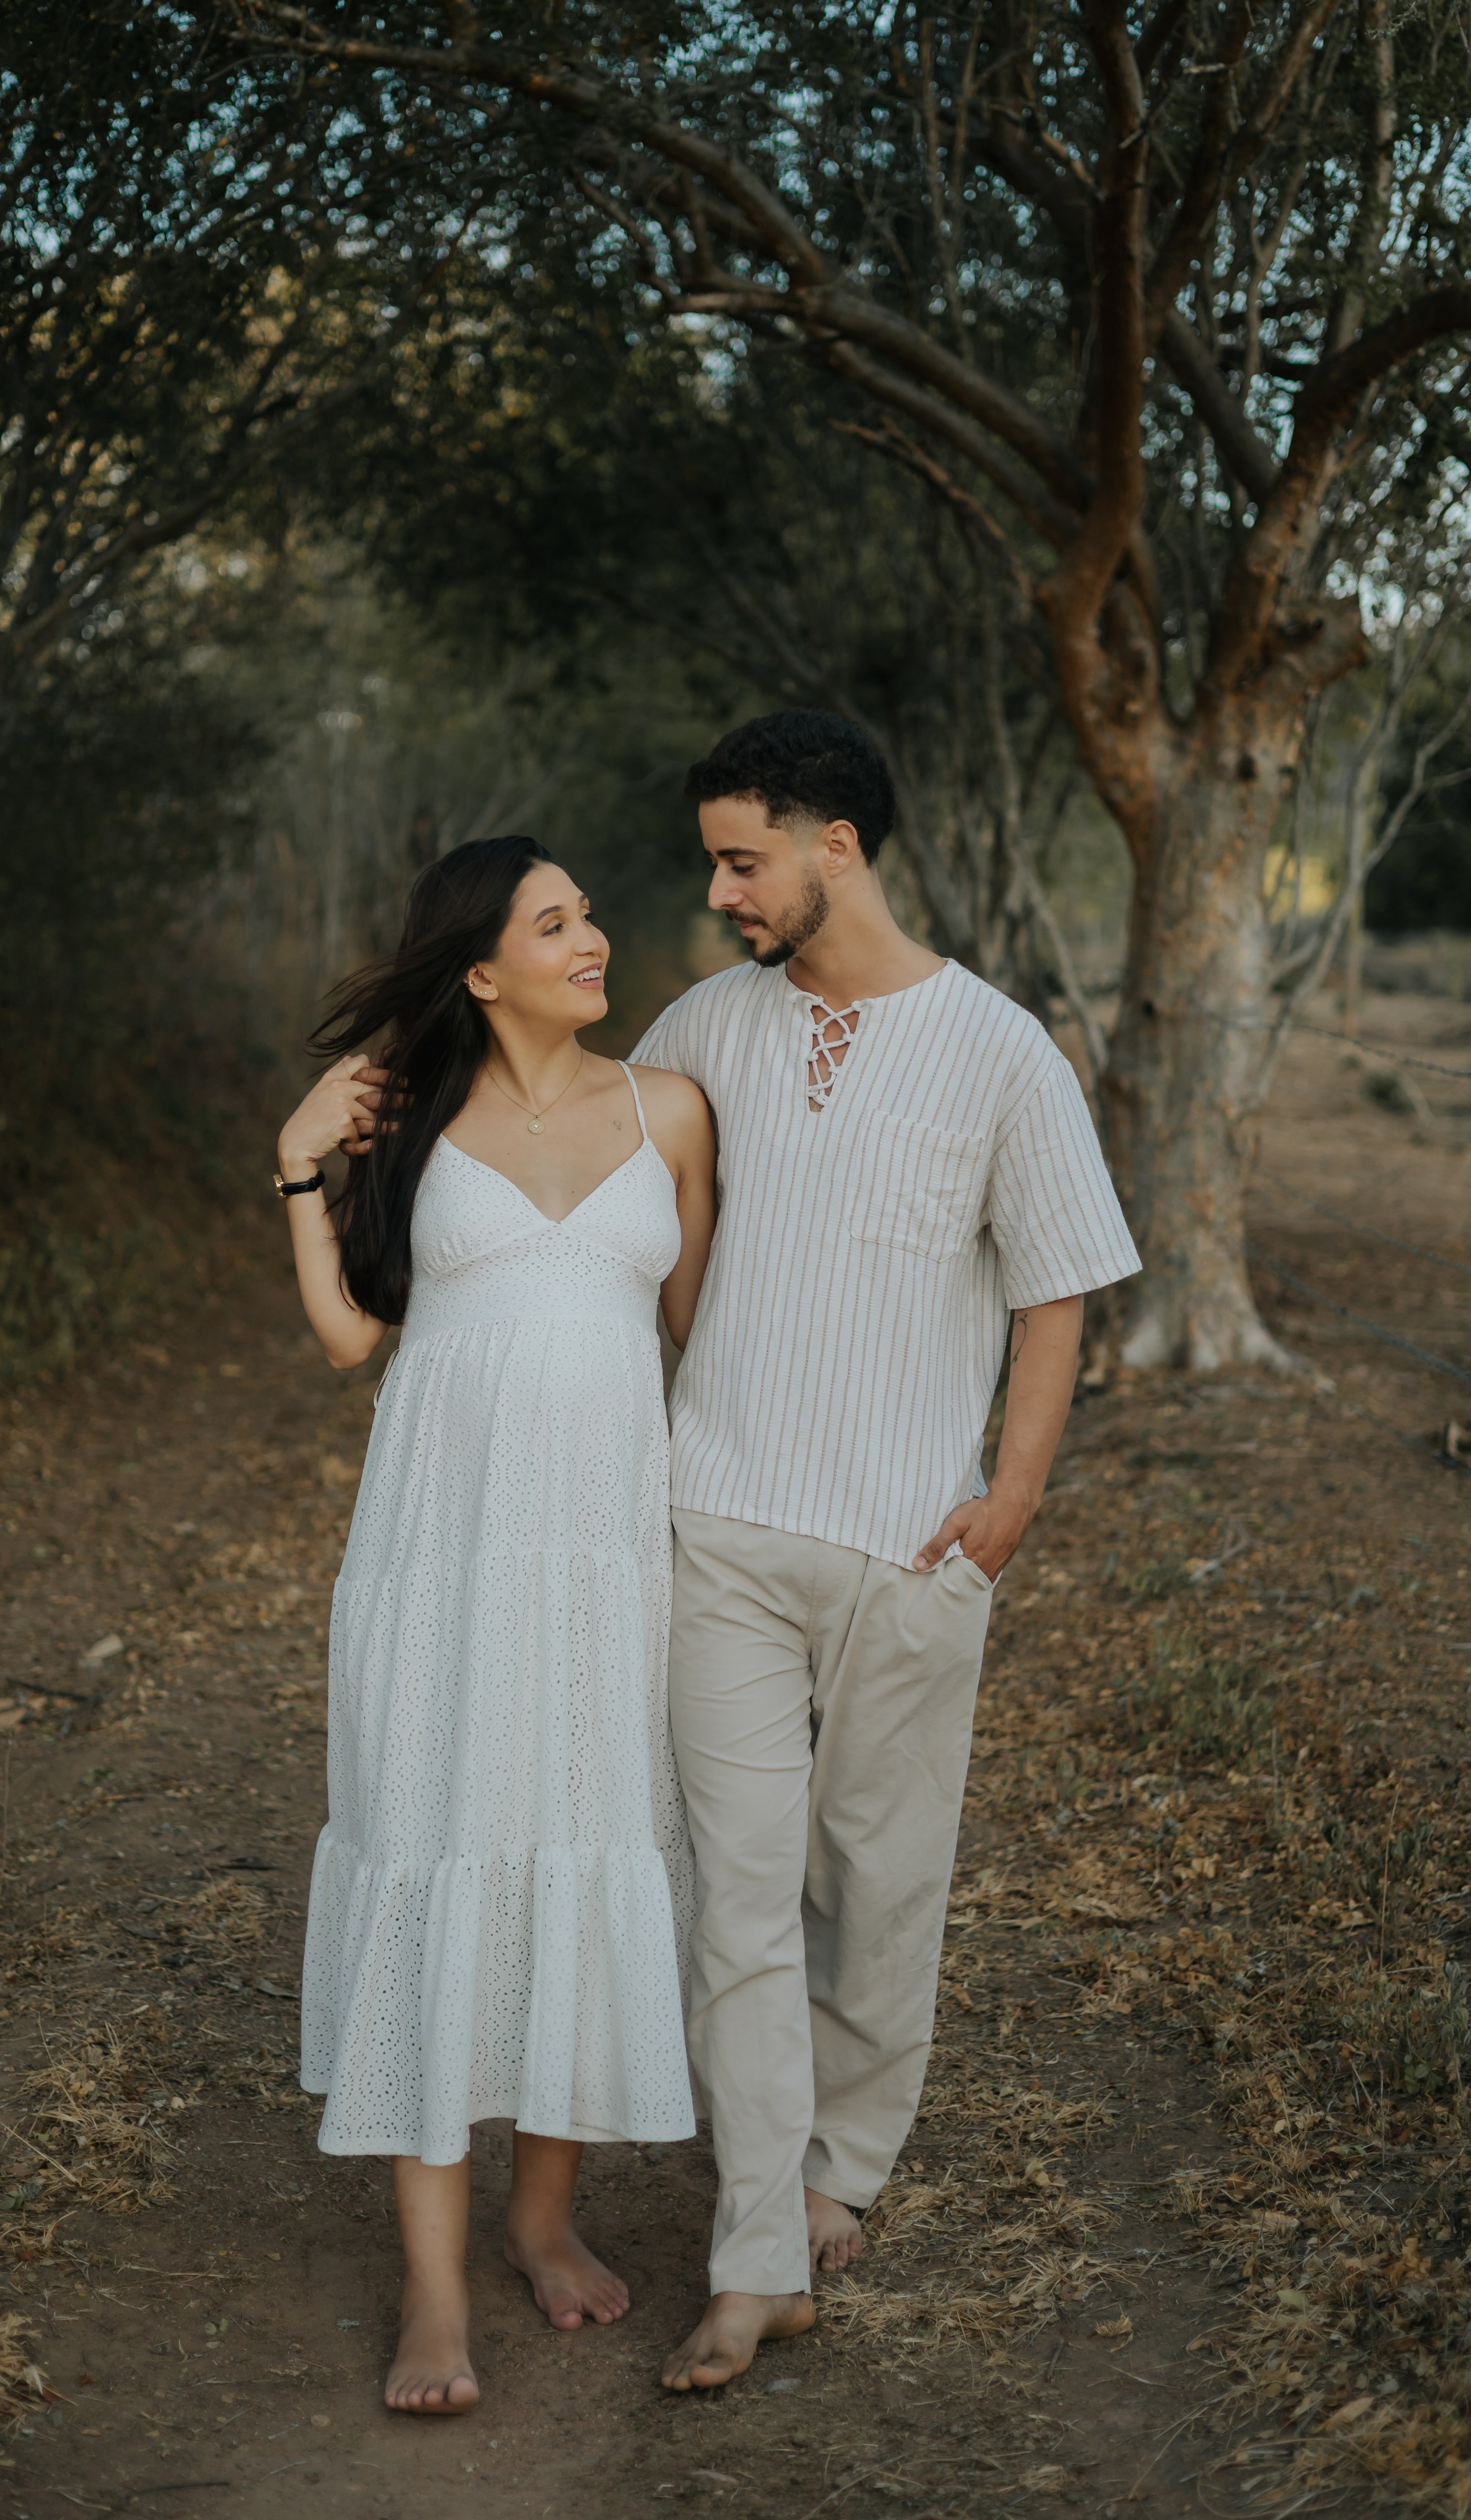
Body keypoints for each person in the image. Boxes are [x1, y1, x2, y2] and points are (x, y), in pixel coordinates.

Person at [629, 710, 1140, 2392]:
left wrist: (1006, 1504)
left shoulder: (1000, 1051)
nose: (718, 892)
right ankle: (757, 2247)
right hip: (718, 1517)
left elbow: (1056, 1289)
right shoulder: (704, 1023)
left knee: (878, 1878)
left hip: (914, 1539)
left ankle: (842, 2162)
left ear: (832, 845)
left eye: (739, 857)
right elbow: (613, 1185)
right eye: (716, 860)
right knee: (738, 1892)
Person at [274, 835, 716, 2416]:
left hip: (603, 1560)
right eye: (555, 922)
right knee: (436, 1848)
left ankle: (542, 2220)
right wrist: (293, 1167)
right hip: (441, 1554)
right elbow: (345, 1340)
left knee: (580, 1841)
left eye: (587, 913)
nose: (592, 936)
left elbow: (699, 1340)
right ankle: (433, 2296)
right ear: (479, 966)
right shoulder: (407, 1118)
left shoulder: (666, 1112)